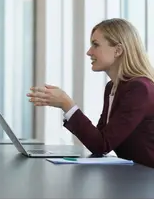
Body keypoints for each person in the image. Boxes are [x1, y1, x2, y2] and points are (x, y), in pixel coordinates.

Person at [27, 18, 154, 168]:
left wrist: (67, 105)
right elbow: (98, 141)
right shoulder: (112, 87)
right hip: (134, 178)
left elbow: (102, 145)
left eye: (96, 45)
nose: (89, 52)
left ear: (118, 50)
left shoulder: (139, 89)